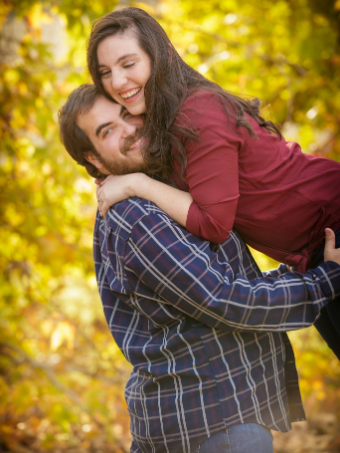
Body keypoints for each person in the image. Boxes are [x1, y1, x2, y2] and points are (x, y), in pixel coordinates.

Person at [58, 83, 340, 453]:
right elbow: (227, 299)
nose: (128, 130)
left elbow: (226, 286)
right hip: (215, 426)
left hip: (213, 420)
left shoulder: (160, 194)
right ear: (92, 158)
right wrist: (325, 280)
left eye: (127, 115)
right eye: (107, 130)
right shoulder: (137, 217)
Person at [86, 7, 340, 359]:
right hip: (311, 256)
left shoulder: (197, 111)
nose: (116, 81)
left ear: (157, 58)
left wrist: (137, 184)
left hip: (333, 225)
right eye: (105, 72)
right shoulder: (163, 127)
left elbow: (213, 224)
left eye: (128, 64)